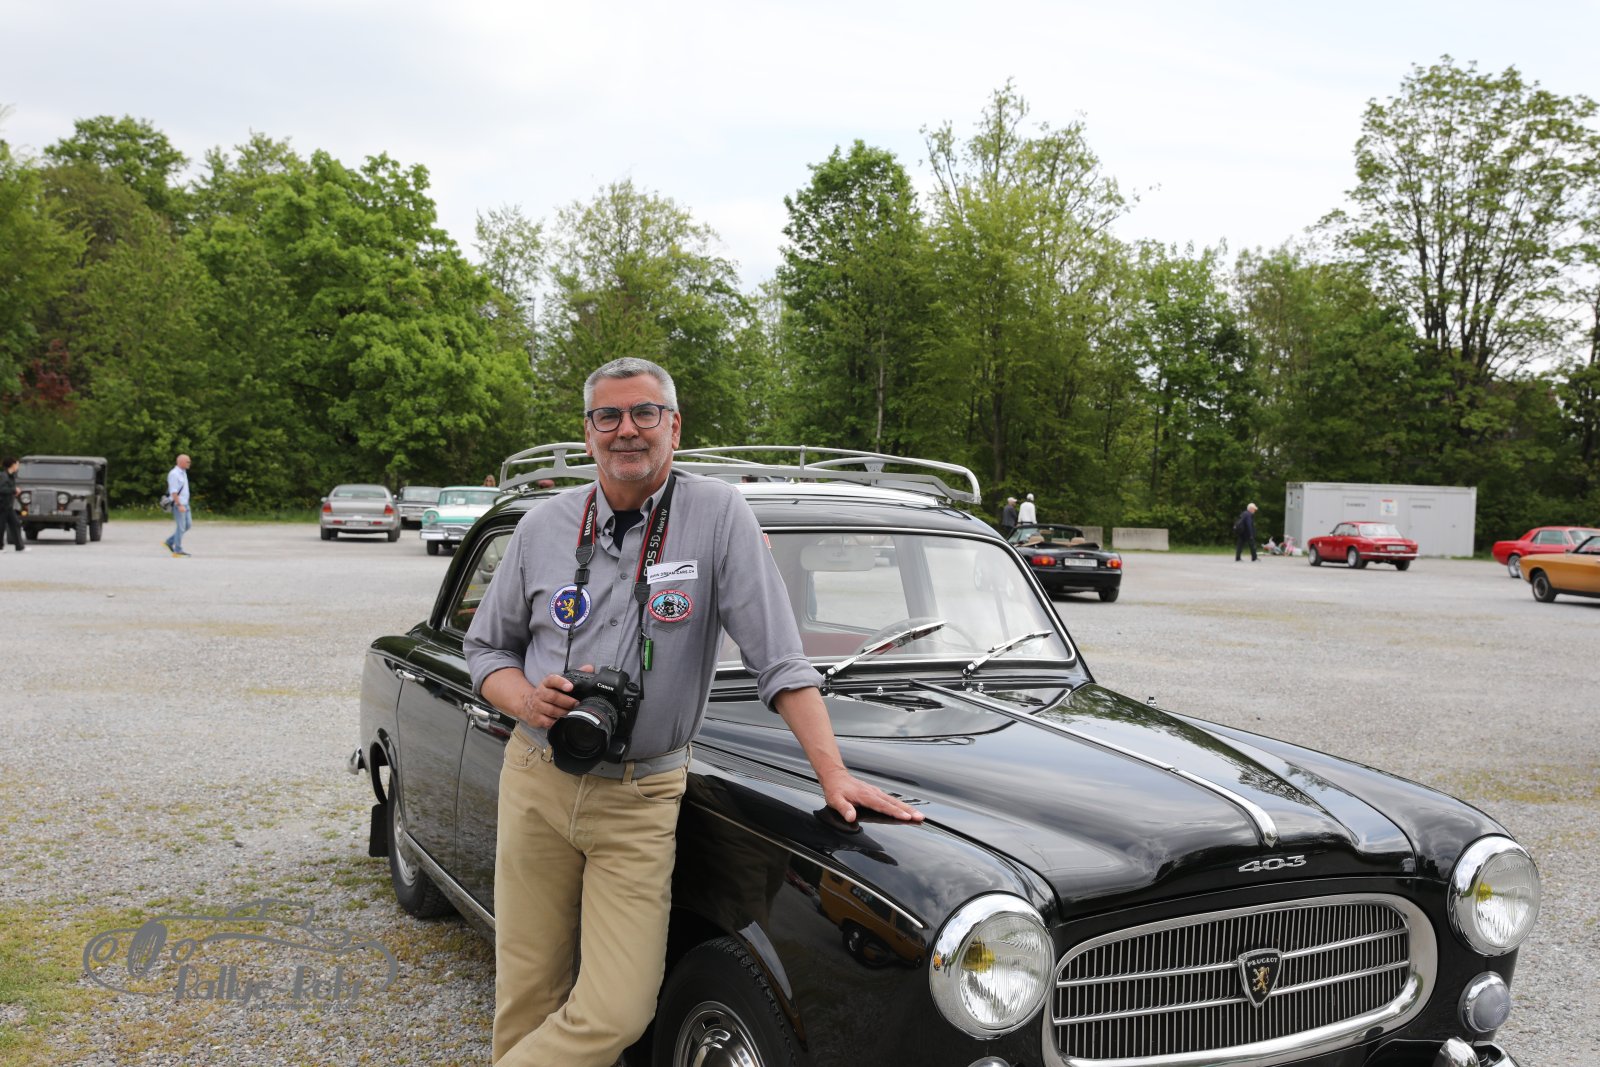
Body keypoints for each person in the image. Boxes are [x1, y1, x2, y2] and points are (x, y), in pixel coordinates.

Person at [464, 357, 922, 1067]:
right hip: (538, 776)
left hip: (641, 796)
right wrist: (526, 697)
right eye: (608, 416)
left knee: (618, 1008)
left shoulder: (718, 516)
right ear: (588, 433)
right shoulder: (543, 524)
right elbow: (486, 648)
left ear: (674, 427)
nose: (626, 430)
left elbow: (780, 659)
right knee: (528, 992)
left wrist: (832, 772)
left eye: (644, 413)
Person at [164, 454, 192, 557]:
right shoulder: (174, 474)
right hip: (179, 504)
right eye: (187, 461)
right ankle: (178, 550)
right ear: (181, 462)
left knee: (188, 525)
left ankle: (169, 542)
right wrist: (179, 505)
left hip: (185, 504)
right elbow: (173, 491)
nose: (189, 463)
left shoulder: (183, 472)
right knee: (181, 527)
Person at [1, 457, 23, 552]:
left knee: (16, 524)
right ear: (12, 465)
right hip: (2, 505)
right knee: (1, 526)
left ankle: (19, 547)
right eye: (17, 464)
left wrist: (13, 491)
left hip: (8, 505)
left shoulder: (11, 476)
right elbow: (1, 489)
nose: (18, 466)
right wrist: (14, 490)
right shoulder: (3, 476)